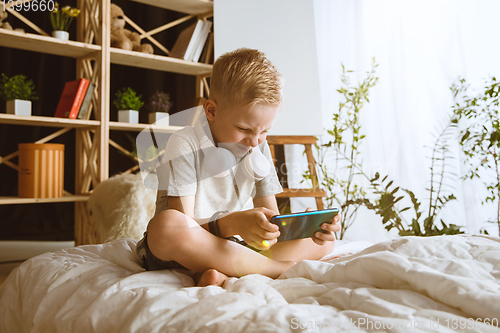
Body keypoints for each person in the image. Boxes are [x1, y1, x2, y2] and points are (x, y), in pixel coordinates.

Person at [136, 48, 341, 287]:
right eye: (244, 129)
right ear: (211, 110)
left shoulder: (257, 147)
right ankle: (276, 270)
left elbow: (272, 221)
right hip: (181, 251)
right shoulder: (185, 142)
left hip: (235, 248)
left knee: (325, 241)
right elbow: (184, 222)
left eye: (265, 131)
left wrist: (300, 226)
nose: (255, 141)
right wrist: (231, 223)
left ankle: (224, 272)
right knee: (167, 225)